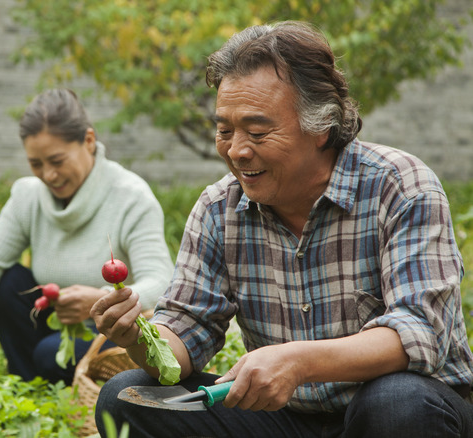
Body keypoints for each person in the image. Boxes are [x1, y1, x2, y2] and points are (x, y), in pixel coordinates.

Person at [91, 21, 473, 437]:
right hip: (287, 420)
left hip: (401, 408)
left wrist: (298, 361)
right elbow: (185, 334)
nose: (236, 150)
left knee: (396, 402)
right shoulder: (220, 209)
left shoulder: (399, 186)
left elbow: (418, 333)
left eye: (257, 131)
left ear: (321, 127)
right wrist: (136, 335)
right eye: (224, 130)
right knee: (124, 395)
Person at [0, 88, 174, 385]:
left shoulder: (131, 198)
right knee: (7, 280)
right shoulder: (29, 196)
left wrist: (103, 300)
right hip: (54, 324)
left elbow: (161, 281)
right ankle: (32, 390)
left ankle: (53, 385)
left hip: (110, 331)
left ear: (89, 141)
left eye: (57, 161)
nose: (48, 175)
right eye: (36, 164)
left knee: (50, 353)